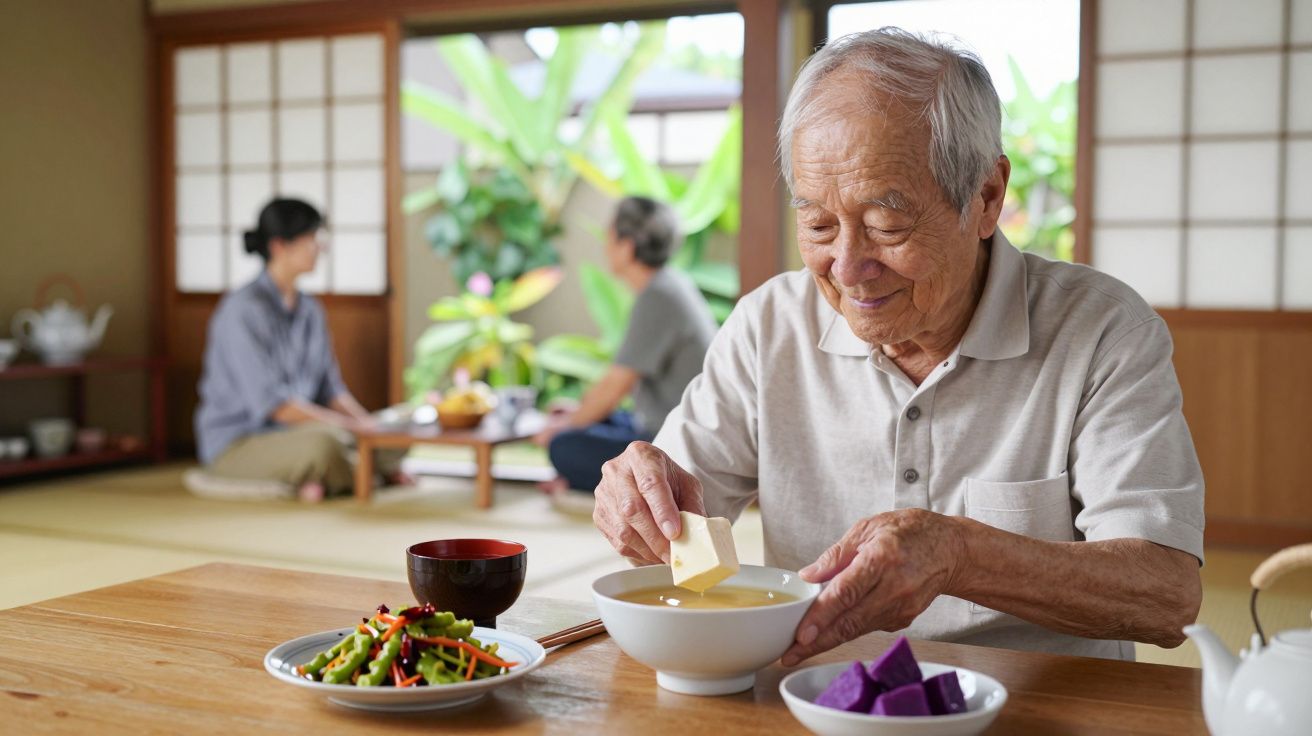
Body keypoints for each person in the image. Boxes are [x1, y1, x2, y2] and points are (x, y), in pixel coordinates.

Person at [591, 28, 1204, 663]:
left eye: (887, 225)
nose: (847, 267)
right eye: (818, 224)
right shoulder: (768, 326)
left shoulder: (1102, 331)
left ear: (987, 197)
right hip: (819, 691)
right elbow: (678, 507)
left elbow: (1168, 595)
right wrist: (638, 498)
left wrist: (961, 555)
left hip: (1038, 701)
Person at [194, 198, 381, 502]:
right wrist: (351, 429)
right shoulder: (242, 310)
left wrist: (370, 427)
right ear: (279, 246)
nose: (320, 247)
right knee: (326, 444)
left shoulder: (311, 310)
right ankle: (362, 471)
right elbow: (274, 406)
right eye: (312, 239)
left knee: (397, 431)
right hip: (242, 442)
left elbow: (331, 390)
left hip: (301, 432)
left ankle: (346, 471)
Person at [534, 196, 718, 495]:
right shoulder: (669, 285)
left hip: (674, 448)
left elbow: (615, 386)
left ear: (628, 246)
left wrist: (564, 427)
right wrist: (575, 415)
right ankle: (592, 480)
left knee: (563, 446)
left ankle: (595, 482)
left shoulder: (658, 296)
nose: (605, 246)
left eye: (609, 237)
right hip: (659, 427)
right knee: (585, 424)